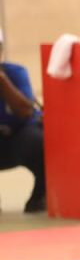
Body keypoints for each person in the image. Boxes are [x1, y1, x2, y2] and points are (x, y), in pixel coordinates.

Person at [0, 27, 46, 214]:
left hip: (15, 141)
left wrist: (2, 81)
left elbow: (26, 112)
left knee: (39, 140)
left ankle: (40, 196)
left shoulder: (15, 73)